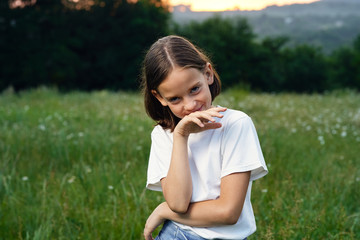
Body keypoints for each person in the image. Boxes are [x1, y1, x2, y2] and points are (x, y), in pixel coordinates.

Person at [141, 35, 268, 240]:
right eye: (175, 99)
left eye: (194, 89)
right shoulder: (163, 135)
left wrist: (164, 211)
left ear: (207, 74)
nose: (190, 105)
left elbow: (228, 213)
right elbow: (179, 203)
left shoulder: (235, 124)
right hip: (176, 234)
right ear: (159, 97)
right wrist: (181, 136)